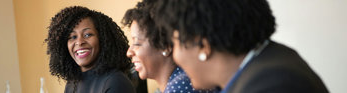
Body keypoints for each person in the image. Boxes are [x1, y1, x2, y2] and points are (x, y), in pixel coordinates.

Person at [150, 0, 329, 93]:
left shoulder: (271, 85)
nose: (174, 56)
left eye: (175, 43)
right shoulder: (269, 61)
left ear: (203, 45)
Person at [122, 2, 218, 93]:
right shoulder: (180, 82)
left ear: (166, 46)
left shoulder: (180, 88)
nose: (129, 52)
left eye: (137, 43)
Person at [45, 6, 135, 93]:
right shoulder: (72, 84)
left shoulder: (116, 82)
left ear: (102, 38)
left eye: (87, 35)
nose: (79, 42)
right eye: (73, 37)